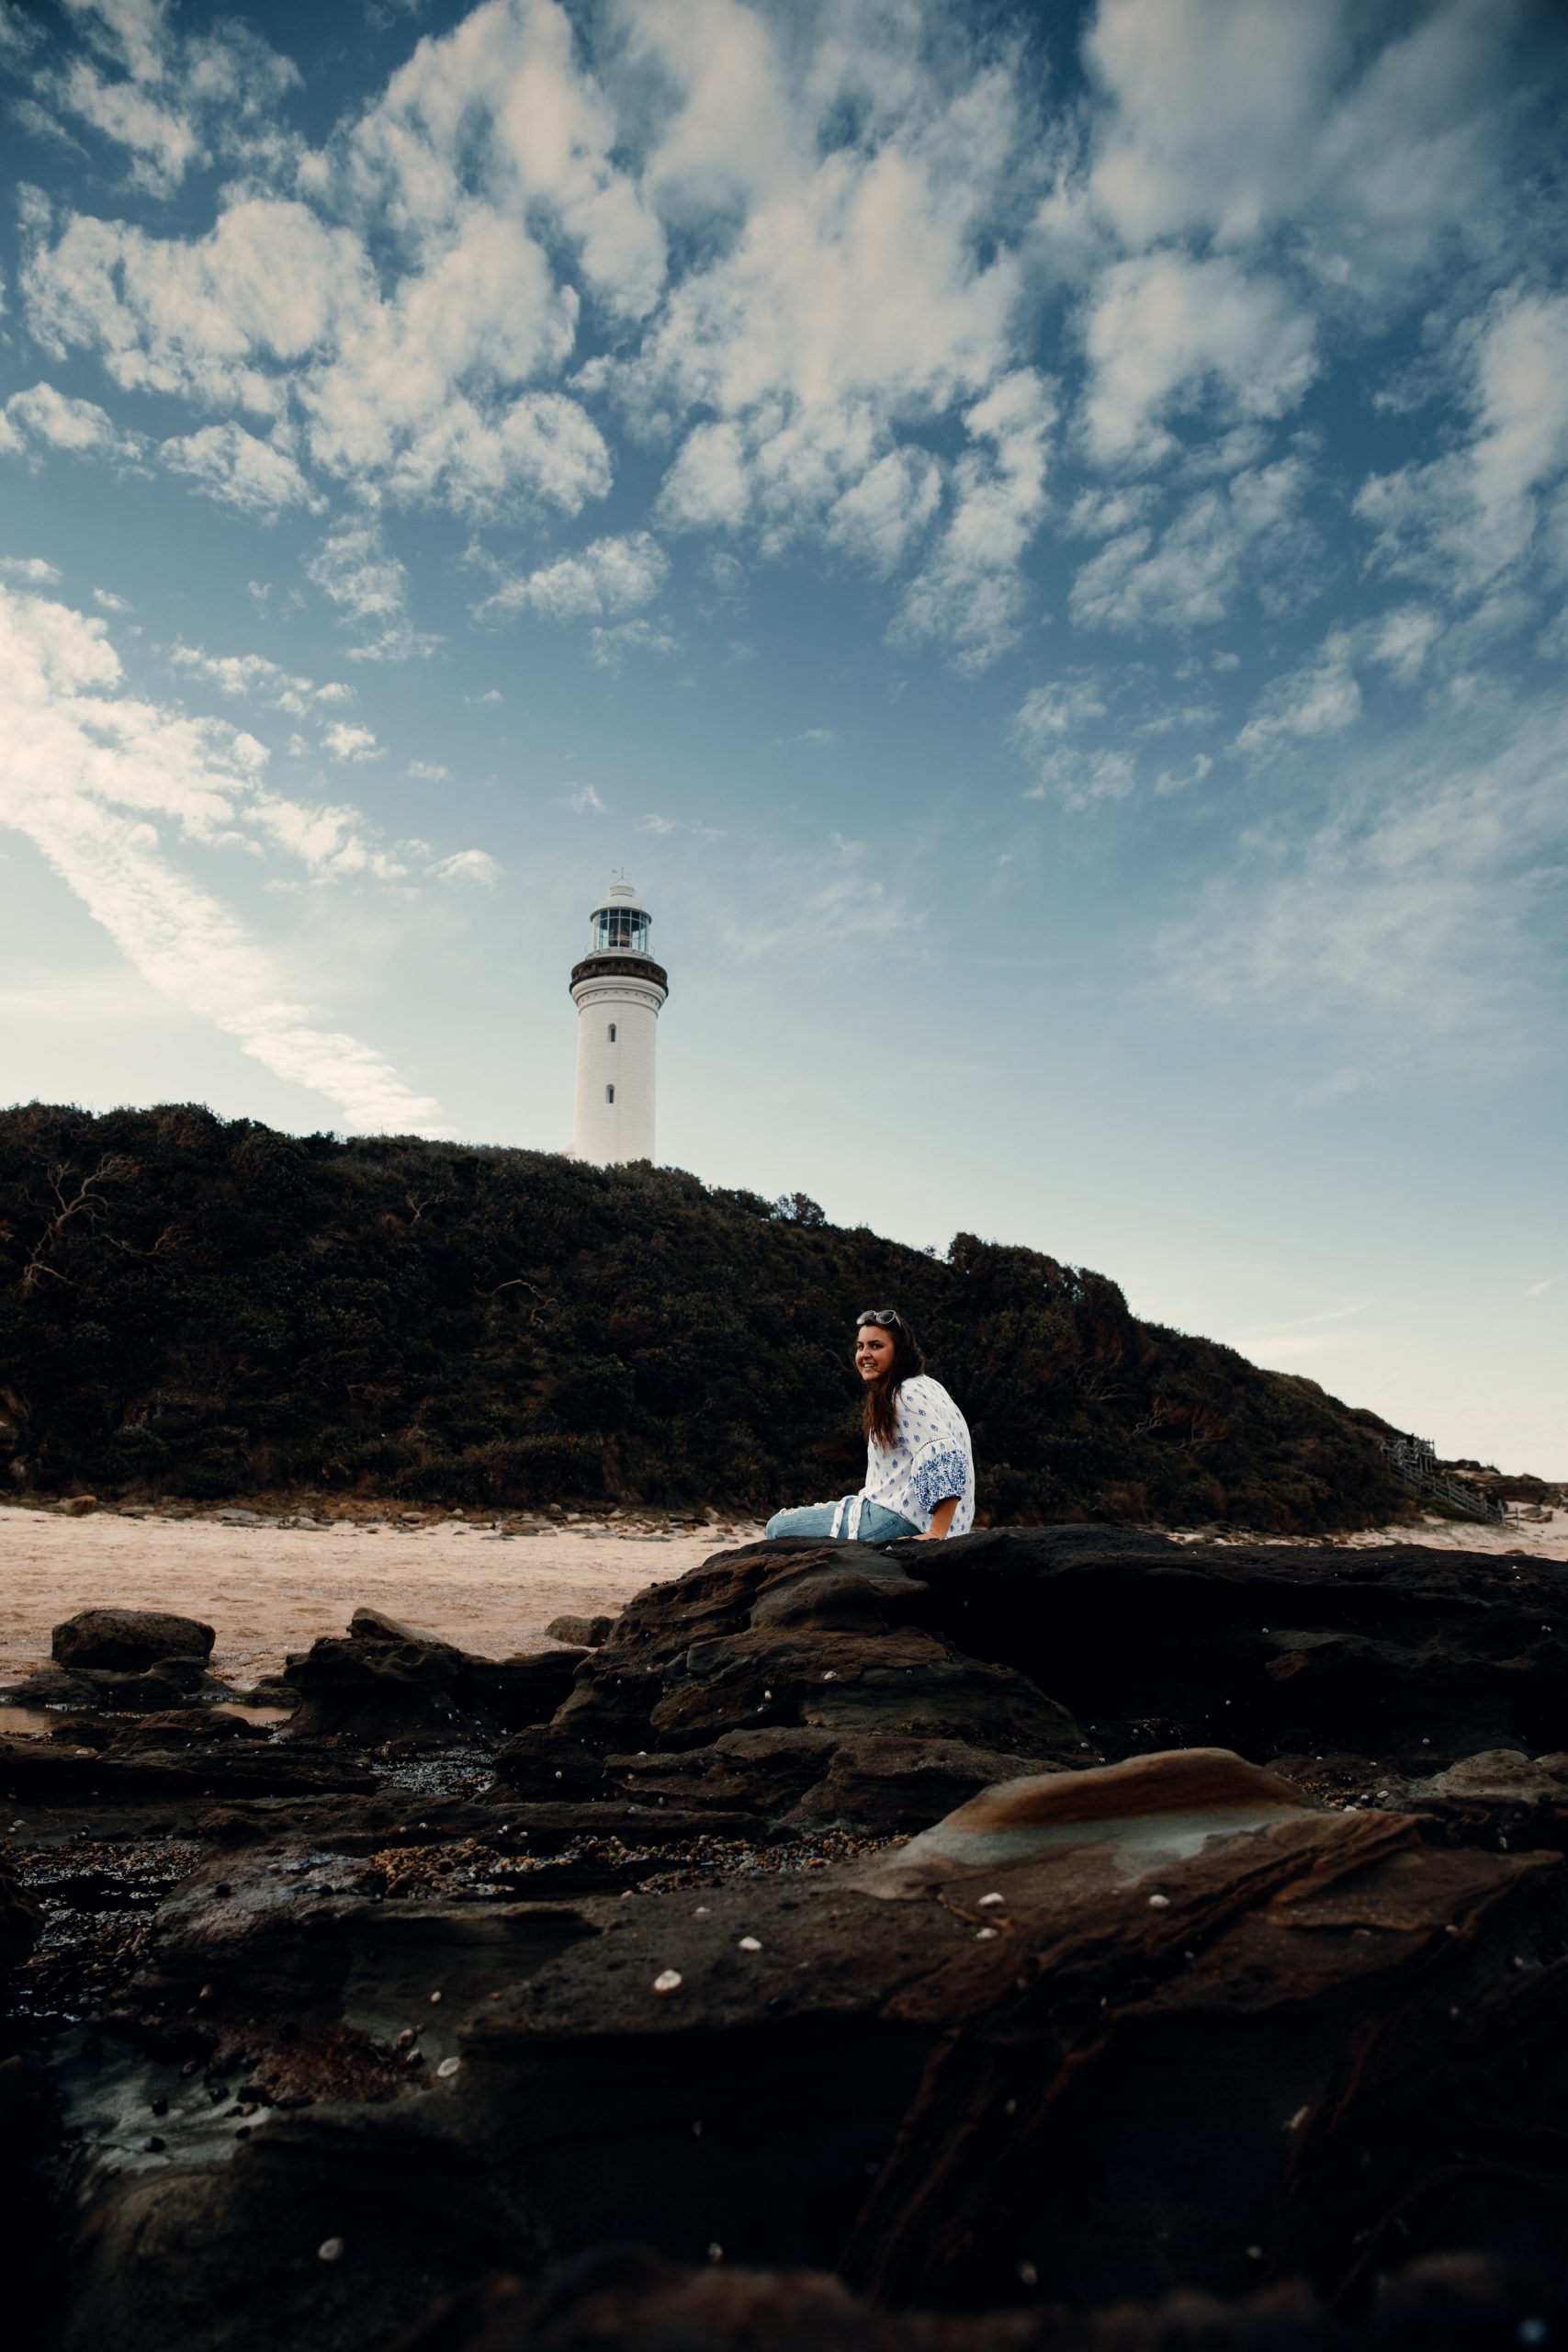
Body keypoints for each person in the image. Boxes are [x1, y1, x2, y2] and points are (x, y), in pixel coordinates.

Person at [764, 1306, 975, 1544]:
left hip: (901, 1518)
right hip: (908, 1515)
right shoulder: (928, 1385)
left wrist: (936, 1534)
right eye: (860, 1346)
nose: (864, 1354)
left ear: (900, 1352)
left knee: (778, 1528)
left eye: (876, 1346)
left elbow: (946, 1457)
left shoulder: (905, 1397)